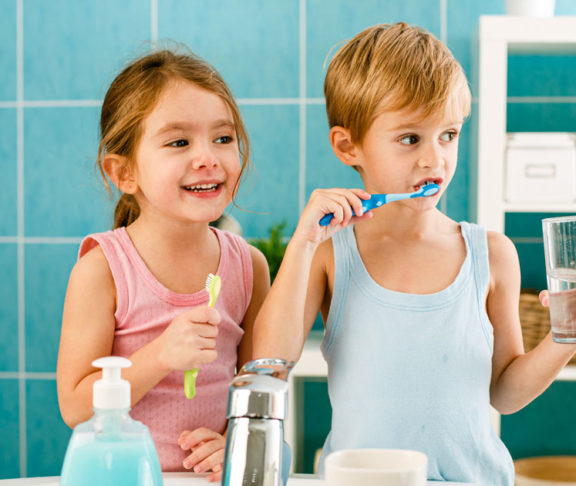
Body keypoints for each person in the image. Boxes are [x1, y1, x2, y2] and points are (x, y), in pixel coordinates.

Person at [252, 23, 576, 485]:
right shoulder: (329, 252)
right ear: (349, 146)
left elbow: (504, 394)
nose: (435, 160)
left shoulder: (490, 253)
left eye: (448, 135)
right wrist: (303, 243)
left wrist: (564, 338)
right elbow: (269, 367)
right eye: (410, 139)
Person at [56, 49, 270, 481]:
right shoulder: (102, 271)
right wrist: (160, 356)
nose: (208, 157)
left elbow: (256, 396)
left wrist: (236, 442)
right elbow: (75, 407)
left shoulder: (249, 267)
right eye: (179, 142)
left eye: (223, 139)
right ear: (123, 173)